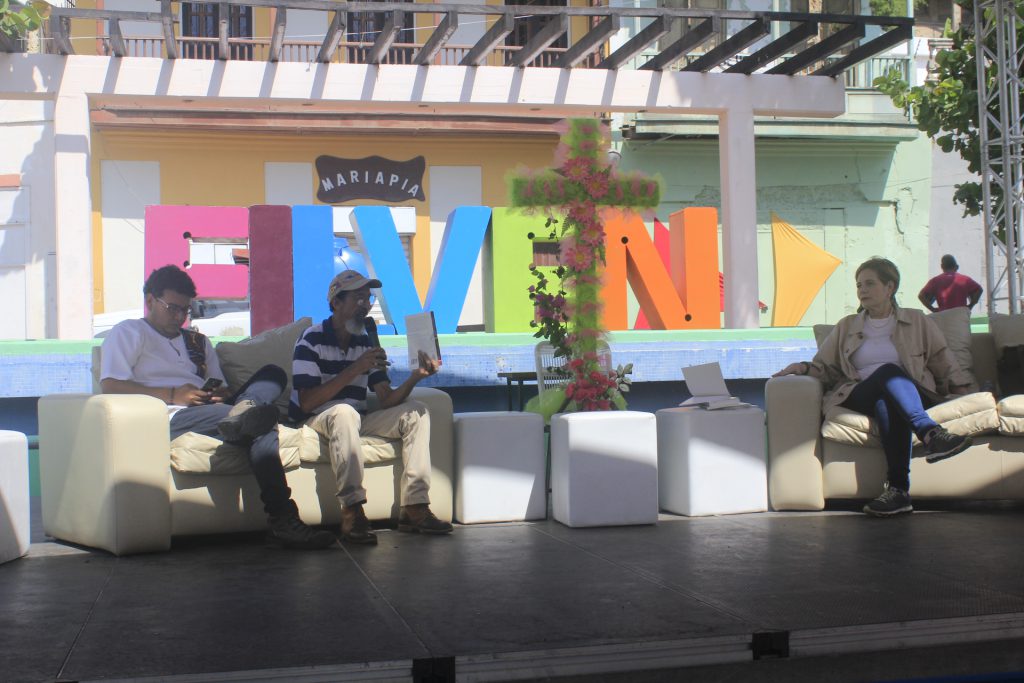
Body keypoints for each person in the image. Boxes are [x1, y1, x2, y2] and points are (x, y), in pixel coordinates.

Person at [100, 265, 335, 550]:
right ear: (150, 300)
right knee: (261, 420)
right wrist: (173, 395)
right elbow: (110, 385)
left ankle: (244, 414)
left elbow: (221, 388)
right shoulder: (129, 332)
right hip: (171, 415)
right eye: (173, 308)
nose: (180, 317)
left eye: (185, 310)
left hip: (213, 411)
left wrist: (217, 395)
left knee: (272, 374)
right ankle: (283, 518)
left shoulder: (197, 341)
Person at [774, 257, 976, 517]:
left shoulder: (917, 320)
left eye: (870, 283)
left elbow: (941, 358)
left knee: (887, 401)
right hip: (859, 393)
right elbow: (826, 367)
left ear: (890, 287)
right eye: (859, 285)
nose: (862, 290)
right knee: (888, 372)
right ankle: (930, 432)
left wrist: (961, 389)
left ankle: (898, 492)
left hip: (910, 394)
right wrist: (802, 367)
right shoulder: (847, 326)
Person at [290, 270, 453, 545]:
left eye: (368, 298)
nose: (365, 305)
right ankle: (352, 510)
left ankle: (415, 506)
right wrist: (355, 369)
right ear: (336, 302)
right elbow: (307, 402)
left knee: (416, 411)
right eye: (358, 298)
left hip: (355, 419)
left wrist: (416, 377)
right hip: (316, 420)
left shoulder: (365, 342)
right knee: (343, 412)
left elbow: (386, 399)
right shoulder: (311, 339)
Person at [918, 254, 983, 312]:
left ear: (942, 266)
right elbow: (979, 290)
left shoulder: (935, 281)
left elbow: (921, 296)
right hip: (961, 316)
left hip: (943, 316)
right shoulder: (965, 279)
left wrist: (933, 309)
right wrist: (970, 306)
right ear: (957, 267)